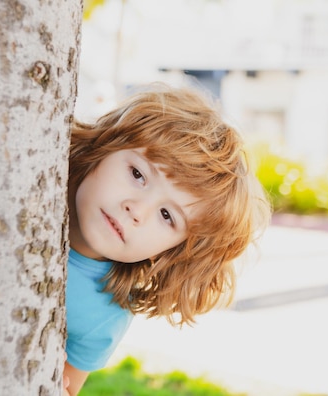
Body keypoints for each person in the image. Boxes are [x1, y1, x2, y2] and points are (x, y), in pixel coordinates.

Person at [63, 84, 271, 395]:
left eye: (166, 216)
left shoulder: (103, 315)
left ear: (172, 251)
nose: (137, 211)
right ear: (106, 147)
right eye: (137, 174)